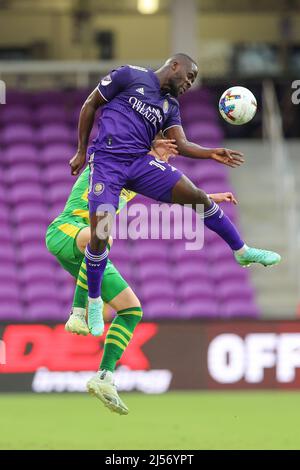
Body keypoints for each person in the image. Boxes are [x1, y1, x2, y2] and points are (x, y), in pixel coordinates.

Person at [69, 53, 281, 399]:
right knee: (102, 234)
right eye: (190, 76)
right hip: (106, 164)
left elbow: (181, 145)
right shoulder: (128, 76)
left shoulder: (169, 106)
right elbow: (90, 104)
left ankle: (241, 251)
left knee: (196, 195)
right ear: (176, 66)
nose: (189, 83)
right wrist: (80, 151)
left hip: (139, 164)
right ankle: (94, 302)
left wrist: (211, 152)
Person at [46, 138, 238, 414]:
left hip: (90, 252)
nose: (170, 159)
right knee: (103, 234)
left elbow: (173, 195)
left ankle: (104, 376)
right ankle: (78, 310)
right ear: (156, 142)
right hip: (66, 231)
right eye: (170, 151)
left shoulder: (137, 175)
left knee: (131, 309)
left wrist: (209, 198)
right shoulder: (111, 160)